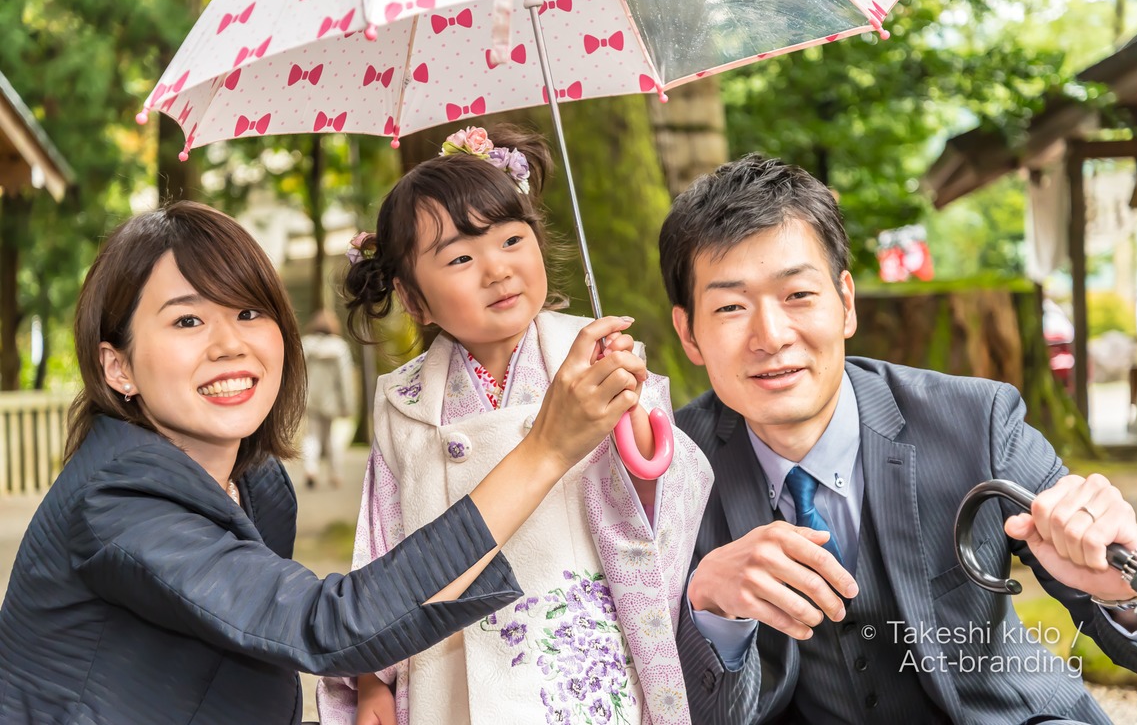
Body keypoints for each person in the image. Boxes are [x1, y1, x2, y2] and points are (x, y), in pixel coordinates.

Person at [0, 201, 652, 725]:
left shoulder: (259, 484)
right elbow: (324, 625)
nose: (230, 344)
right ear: (119, 366)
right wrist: (545, 450)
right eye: (188, 322)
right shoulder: (118, 503)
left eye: (249, 311)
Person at [657, 155, 1137, 724]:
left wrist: (1122, 590)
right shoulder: (667, 472)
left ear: (846, 303)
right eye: (732, 307)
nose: (771, 336)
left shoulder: (975, 420)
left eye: (797, 296)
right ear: (688, 333)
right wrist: (709, 609)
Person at [317, 125, 713, 725]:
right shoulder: (403, 403)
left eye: (510, 239)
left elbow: (663, 497)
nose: (496, 269)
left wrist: (641, 430)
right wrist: (373, 679)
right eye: (459, 257)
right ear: (414, 299)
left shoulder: (589, 364)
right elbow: (381, 547)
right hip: (447, 669)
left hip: (575, 664)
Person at [300, 308, 356, 488]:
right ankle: (335, 474)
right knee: (332, 436)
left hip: (310, 398)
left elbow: (298, 374)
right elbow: (345, 378)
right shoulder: (340, 347)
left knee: (312, 436)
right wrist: (348, 404)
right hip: (332, 401)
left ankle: (311, 470)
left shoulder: (305, 344)